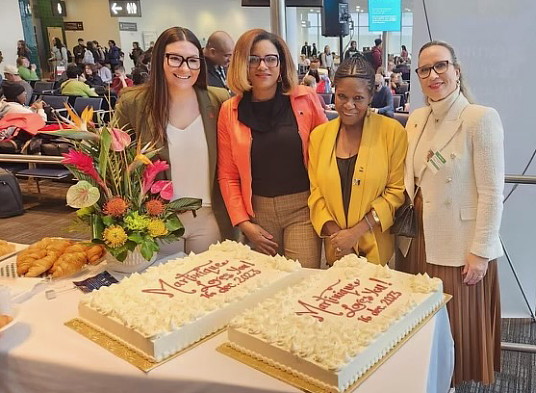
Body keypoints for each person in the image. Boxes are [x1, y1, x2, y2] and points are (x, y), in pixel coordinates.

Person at [396, 40, 504, 387]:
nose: (433, 75)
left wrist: (481, 252)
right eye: (424, 69)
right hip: (420, 240)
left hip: (459, 246)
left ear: (456, 71)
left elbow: (491, 192)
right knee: (425, 324)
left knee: (455, 327)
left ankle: (452, 384)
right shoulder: (416, 119)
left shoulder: (479, 118)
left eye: (440, 65)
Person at [114, 26, 233, 255]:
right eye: (176, 59)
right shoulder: (134, 103)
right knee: (161, 286)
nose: (185, 68)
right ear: (160, 59)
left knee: (209, 285)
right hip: (158, 220)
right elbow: (117, 163)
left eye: (192, 60)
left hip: (210, 217)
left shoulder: (218, 100)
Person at [218, 29, 327, 268]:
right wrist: (244, 224)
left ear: (281, 63)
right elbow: (228, 175)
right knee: (265, 288)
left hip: (302, 208)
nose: (262, 66)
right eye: (253, 59)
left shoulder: (306, 99)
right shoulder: (229, 110)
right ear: (242, 64)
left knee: (302, 280)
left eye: (270, 58)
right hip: (258, 212)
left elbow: (327, 156)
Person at [308, 55, 406, 265]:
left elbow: (395, 193)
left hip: (376, 250)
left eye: (358, 98)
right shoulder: (319, 136)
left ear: (371, 96)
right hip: (336, 249)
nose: (348, 105)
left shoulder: (392, 132)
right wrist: (340, 239)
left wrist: (355, 233)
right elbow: (316, 194)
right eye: (342, 96)